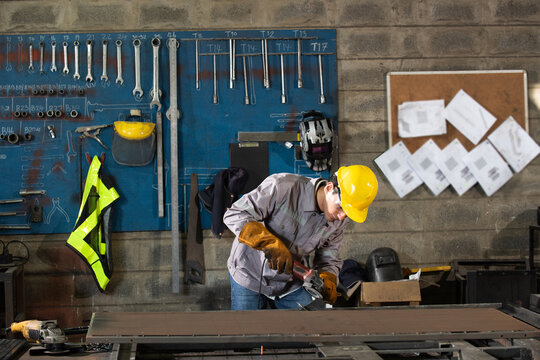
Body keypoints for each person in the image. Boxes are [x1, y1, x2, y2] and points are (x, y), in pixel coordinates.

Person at [223, 165, 378, 310]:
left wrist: (328, 278)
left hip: (289, 283)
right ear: (330, 188)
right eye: (341, 208)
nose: (342, 216)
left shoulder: (339, 220)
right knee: (247, 334)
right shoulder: (282, 187)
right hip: (249, 274)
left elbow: (329, 256)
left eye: (348, 213)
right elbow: (235, 214)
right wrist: (269, 243)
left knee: (305, 330)